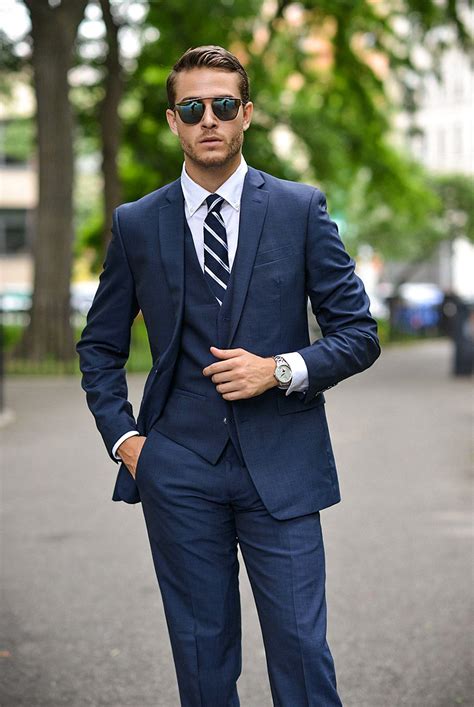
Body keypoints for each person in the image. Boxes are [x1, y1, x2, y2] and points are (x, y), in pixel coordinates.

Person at [76, 45, 381, 707]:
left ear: (246, 114)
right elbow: (98, 348)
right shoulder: (136, 224)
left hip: (284, 463)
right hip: (177, 466)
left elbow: (359, 334)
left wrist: (281, 369)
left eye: (221, 105)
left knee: (302, 653)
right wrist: (127, 443)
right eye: (192, 108)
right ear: (173, 120)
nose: (207, 119)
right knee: (202, 658)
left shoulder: (300, 209)